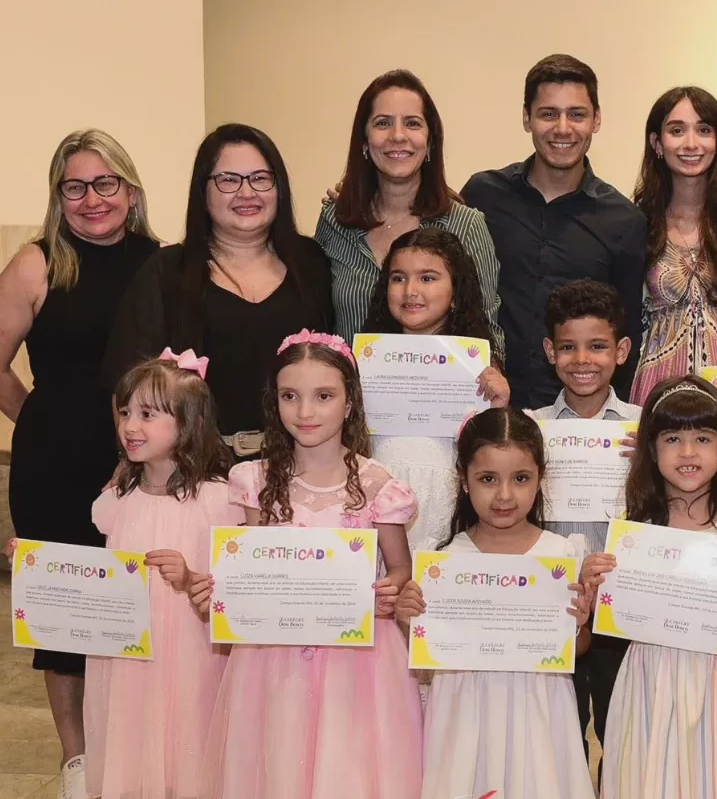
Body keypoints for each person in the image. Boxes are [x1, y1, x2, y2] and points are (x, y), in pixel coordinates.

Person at [190, 331, 422, 797]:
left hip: (358, 664)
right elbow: (248, 566)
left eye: (324, 396)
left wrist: (390, 590)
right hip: (272, 661)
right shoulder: (254, 479)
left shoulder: (378, 485)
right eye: (290, 396)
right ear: (274, 401)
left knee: (348, 768)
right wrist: (218, 591)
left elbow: (399, 569)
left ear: (350, 402)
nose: (306, 412)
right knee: (277, 762)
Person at [0, 128, 160, 798]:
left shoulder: (163, 262)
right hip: (54, 461)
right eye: (75, 187)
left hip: (145, 464)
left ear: (130, 189)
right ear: (57, 195)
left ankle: (132, 747)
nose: (91, 199)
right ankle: (77, 763)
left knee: (136, 606)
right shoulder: (36, 263)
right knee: (64, 616)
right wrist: (36, 416)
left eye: (105, 183)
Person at [582, 376, 717, 798]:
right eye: (673, 438)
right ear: (651, 450)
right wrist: (594, 584)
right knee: (652, 776)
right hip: (652, 678)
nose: (688, 452)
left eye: (702, 437)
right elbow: (614, 612)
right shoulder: (636, 530)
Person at [395, 408, 594, 799]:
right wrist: (408, 620)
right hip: (465, 712)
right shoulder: (445, 563)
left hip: (539, 707)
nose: (504, 495)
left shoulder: (562, 554)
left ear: (540, 479)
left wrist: (580, 625)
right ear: (464, 481)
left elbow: (578, 650)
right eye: (488, 479)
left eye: (520, 479)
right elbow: (427, 651)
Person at [103, 123, 334, 461]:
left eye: (260, 178)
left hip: (301, 465)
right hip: (196, 470)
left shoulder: (312, 263)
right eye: (228, 180)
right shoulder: (166, 271)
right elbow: (127, 385)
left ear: (278, 187)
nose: (246, 193)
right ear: (203, 191)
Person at [83, 352, 235, 799]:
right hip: (129, 656)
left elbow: (227, 585)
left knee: (185, 728)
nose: (131, 426)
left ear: (187, 425)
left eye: (148, 415)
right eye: (126, 412)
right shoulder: (117, 500)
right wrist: (38, 565)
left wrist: (190, 578)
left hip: (188, 649)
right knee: (131, 730)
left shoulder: (217, 500)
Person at [460, 54, 647, 408]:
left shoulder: (624, 220)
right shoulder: (483, 195)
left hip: (576, 417)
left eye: (577, 114)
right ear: (526, 118)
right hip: (484, 402)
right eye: (548, 114)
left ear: (597, 120)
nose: (563, 128)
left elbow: (627, 331)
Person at [528, 279, 640, 766]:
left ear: (621, 350)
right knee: (560, 734)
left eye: (597, 347)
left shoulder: (644, 427)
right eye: (568, 347)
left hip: (624, 604)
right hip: (557, 602)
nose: (582, 360)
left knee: (624, 730)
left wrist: (650, 465)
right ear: (550, 351)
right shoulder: (531, 428)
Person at [317, 69, 501, 345]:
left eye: (413, 123)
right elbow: (317, 321)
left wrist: (492, 376)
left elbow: (487, 329)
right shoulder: (335, 220)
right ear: (364, 143)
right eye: (383, 123)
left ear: (430, 143)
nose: (398, 135)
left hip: (442, 387)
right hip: (348, 387)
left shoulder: (466, 225)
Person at [360, 227, 510, 554]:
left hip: (447, 505)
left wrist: (498, 410)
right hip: (374, 503)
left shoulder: (481, 369)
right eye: (398, 278)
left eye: (427, 278)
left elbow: (493, 459)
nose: (410, 290)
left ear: (455, 292)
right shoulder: (361, 363)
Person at [629, 86, 717, 406]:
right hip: (656, 388)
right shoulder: (634, 222)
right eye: (677, 130)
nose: (691, 143)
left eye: (704, 130)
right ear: (657, 144)